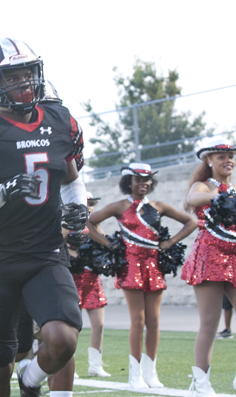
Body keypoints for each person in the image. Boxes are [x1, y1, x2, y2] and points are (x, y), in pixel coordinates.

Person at [0, 38, 88, 397]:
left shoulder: (59, 120)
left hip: (45, 253)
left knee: (64, 338)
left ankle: (31, 380)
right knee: (0, 364)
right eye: (12, 77)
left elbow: (72, 180)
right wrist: (5, 191)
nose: (24, 82)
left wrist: (79, 209)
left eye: (28, 74)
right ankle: (16, 372)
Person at [87, 162, 197, 389]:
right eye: (138, 179)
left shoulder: (158, 206)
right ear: (129, 182)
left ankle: (151, 373)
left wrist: (170, 242)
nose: (143, 183)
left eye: (147, 179)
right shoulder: (119, 206)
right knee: (138, 320)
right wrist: (109, 244)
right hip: (130, 266)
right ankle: (134, 375)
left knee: (154, 321)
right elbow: (89, 222)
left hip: (153, 265)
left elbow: (191, 221)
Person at [181, 138, 236, 395]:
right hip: (209, 256)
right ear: (209, 160)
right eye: (221, 156)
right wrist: (223, 193)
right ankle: (201, 384)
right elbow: (193, 199)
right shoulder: (203, 185)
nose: (228, 160)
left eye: (231, 156)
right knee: (210, 323)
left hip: (234, 257)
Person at [69, 193, 110, 377]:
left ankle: (95, 365)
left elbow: (103, 246)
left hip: (92, 280)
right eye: (87, 203)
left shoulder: (94, 226)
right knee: (72, 326)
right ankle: (69, 365)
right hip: (73, 280)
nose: (90, 207)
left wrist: (94, 225)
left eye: (92, 204)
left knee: (99, 324)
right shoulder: (68, 226)